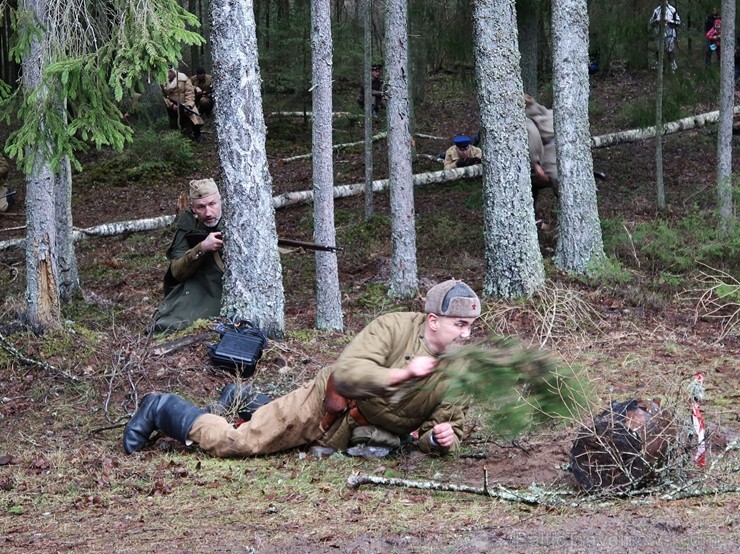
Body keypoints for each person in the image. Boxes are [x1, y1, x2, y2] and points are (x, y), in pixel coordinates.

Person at [125, 279, 482, 458]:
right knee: (242, 443)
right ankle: (164, 408)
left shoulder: (459, 369)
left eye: (469, 326)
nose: (465, 334)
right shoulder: (394, 327)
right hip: (325, 404)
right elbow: (348, 374)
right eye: (459, 325)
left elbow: (444, 428)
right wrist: (403, 374)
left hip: (352, 431)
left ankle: (244, 398)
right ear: (433, 320)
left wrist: (440, 439)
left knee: (286, 438)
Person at [152, 178, 224, 333]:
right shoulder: (189, 221)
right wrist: (202, 247)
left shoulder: (240, 215)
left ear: (221, 200)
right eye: (201, 207)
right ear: (192, 208)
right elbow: (177, 271)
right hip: (196, 282)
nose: (208, 213)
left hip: (222, 287)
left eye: (212, 204)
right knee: (165, 325)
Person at [524, 95, 558, 204]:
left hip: (550, 152)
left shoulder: (525, 119)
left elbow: (533, 135)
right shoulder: (543, 110)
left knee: (561, 183)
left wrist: (536, 163)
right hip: (565, 147)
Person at [162, 63, 205, 142]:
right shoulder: (162, 80)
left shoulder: (183, 78)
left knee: (193, 114)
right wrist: (171, 105)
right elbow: (162, 96)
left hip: (185, 103)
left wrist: (189, 104)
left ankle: (197, 135)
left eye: (169, 72)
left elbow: (190, 92)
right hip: (170, 104)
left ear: (172, 71)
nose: (168, 74)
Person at [649, 2, 681, 72]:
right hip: (659, 34)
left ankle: (673, 67)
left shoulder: (672, 10)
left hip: (670, 34)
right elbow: (651, 22)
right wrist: (657, 21)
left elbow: (678, 22)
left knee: (670, 50)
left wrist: (670, 21)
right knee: (658, 50)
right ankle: (658, 67)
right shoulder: (657, 10)